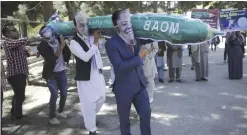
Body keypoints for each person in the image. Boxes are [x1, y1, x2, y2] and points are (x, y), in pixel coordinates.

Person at [105, 8, 151, 135]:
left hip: (139, 86)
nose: (128, 26)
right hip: (123, 89)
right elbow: (119, 66)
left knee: (146, 114)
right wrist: (139, 57)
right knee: (125, 122)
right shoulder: (111, 43)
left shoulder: (135, 36)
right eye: (124, 24)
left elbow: (149, 39)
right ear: (117, 26)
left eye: (129, 22)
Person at [69, 11, 106, 135]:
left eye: (85, 24)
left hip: (97, 73)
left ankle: (90, 118)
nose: (84, 27)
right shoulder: (73, 42)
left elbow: (99, 51)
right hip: (85, 77)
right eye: (80, 25)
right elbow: (85, 57)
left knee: (102, 98)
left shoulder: (91, 37)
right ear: (76, 26)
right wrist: (95, 42)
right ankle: (91, 129)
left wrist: (96, 41)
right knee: (89, 103)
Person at [1, 23, 41, 120]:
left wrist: (35, 53)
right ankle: (18, 117)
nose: (17, 31)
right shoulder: (8, 43)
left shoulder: (17, 43)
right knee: (20, 96)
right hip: (15, 74)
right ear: (6, 34)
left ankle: (14, 114)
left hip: (21, 73)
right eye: (13, 30)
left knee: (18, 95)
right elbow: (24, 41)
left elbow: (27, 53)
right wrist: (37, 38)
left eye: (16, 29)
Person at [37, 26, 70, 125]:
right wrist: (62, 47)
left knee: (64, 93)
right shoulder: (41, 46)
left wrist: (65, 45)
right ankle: (52, 117)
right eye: (45, 32)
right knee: (54, 94)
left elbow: (67, 49)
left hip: (61, 71)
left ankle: (60, 111)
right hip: (50, 73)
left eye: (48, 30)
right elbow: (52, 59)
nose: (47, 32)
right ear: (42, 34)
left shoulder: (59, 38)